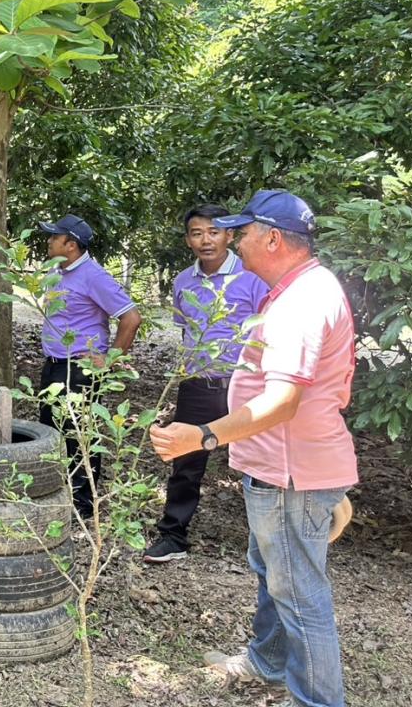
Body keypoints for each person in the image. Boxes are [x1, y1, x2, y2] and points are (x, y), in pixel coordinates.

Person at [150, 190, 357, 707]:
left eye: (241, 233)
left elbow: (284, 402)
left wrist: (201, 436)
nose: (234, 242)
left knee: (300, 597)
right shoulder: (298, 289)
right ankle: (267, 662)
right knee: (274, 574)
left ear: (271, 238)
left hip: (291, 474)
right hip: (293, 470)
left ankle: (317, 701)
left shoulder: (301, 303)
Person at [143, 204, 269, 563]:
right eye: (197, 233)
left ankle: (269, 544)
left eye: (214, 232)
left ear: (230, 235)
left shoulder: (253, 277)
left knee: (261, 461)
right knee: (186, 461)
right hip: (197, 384)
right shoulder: (183, 281)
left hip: (244, 387)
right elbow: (185, 329)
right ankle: (173, 537)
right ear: (187, 240)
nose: (206, 240)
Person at [37, 214, 142, 519]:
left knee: (79, 435)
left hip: (79, 369)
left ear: (70, 245)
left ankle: (84, 507)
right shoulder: (57, 271)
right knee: (52, 432)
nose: (48, 241)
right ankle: (59, 496)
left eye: (54, 237)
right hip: (54, 365)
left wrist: (110, 359)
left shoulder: (93, 276)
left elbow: (131, 318)